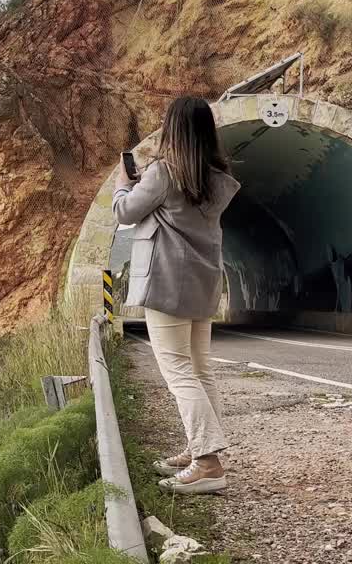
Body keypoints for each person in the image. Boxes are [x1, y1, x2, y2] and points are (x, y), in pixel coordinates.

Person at [112, 96, 241, 494]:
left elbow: (125, 213)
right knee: (201, 371)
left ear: (173, 130)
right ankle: (198, 449)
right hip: (203, 284)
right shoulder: (219, 180)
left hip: (167, 283)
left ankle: (208, 463)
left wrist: (122, 183)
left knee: (180, 373)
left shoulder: (164, 173)